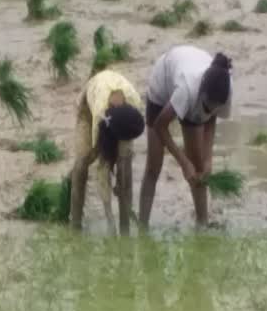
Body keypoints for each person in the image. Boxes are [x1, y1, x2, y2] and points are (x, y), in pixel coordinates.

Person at [139, 46, 233, 229]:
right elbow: (160, 126)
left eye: (214, 107)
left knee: (199, 167)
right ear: (201, 95)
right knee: (153, 167)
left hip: (192, 86)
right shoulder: (188, 89)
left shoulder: (225, 89)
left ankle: (202, 225)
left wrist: (208, 158)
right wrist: (183, 162)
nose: (210, 110)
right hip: (163, 84)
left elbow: (211, 118)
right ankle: (142, 227)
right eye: (207, 106)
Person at [67, 69, 146, 235]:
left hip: (119, 118)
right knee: (83, 161)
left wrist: (121, 178)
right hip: (88, 109)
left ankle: (125, 228)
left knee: (125, 166)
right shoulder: (99, 116)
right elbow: (102, 167)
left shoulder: (135, 105)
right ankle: (75, 224)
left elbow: (126, 151)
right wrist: (110, 222)